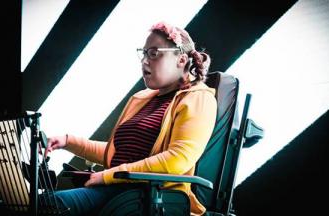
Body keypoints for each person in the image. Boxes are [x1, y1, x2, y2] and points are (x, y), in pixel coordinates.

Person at [45, 21, 217, 216]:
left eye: (153, 53)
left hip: (148, 199)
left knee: (50, 204)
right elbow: (116, 153)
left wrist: (107, 176)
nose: (144, 61)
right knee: (40, 203)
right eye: (143, 53)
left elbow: (177, 159)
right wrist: (68, 141)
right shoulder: (140, 98)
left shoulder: (199, 98)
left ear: (181, 60)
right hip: (119, 191)